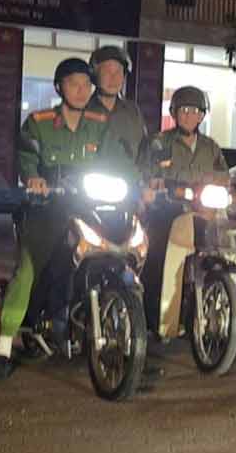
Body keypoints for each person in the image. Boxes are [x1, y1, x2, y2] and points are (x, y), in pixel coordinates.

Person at [0, 57, 112, 383]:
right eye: (74, 84)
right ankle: (2, 349)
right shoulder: (39, 122)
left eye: (86, 85)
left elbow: (117, 160)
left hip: (87, 208)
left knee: (115, 254)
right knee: (27, 270)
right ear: (59, 88)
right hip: (47, 208)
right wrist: (33, 178)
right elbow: (27, 158)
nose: (82, 90)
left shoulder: (101, 123)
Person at [138, 86, 228, 341]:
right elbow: (146, 171)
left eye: (195, 111)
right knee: (158, 261)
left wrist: (230, 189)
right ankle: (152, 320)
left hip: (201, 212)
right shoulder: (159, 142)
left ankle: (215, 315)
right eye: (184, 110)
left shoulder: (211, 147)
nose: (189, 115)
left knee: (217, 251)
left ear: (202, 116)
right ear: (174, 113)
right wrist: (155, 183)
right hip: (166, 212)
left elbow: (224, 175)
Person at [88, 45, 148, 163]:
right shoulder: (82, 110)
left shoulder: (133, 112)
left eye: (118, 72)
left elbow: (145, 150)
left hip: (129, 178)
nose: (113, 78)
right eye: (107, 72)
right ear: (95, 75)